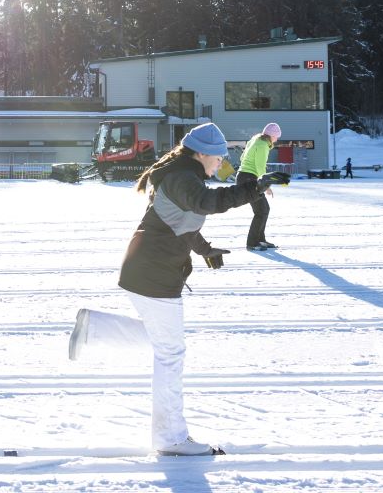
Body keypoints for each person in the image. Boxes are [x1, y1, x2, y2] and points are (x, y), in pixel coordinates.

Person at [66, 123, 289, 456]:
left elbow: (181, 219)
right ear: (201, 153)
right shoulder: (184, 179)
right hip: (154, 271)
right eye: (217, 157)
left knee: (165, 343)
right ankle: (170, 437)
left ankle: (94, 328)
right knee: (170, 354)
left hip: (147, 267)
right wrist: (254, 187)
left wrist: (205, 249)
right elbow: (209, 203)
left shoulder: (180, 174)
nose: (220, 164)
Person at [237, 122, 283, 250]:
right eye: (276, 136)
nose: (277, 139)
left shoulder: (255, 139)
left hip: (245, 176)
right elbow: (260, 167)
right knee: (261, 210)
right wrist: (266, 185)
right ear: (272, 136)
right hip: (249, 178)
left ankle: (260, 240)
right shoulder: (262, 145)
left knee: (263, 209)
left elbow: (242, 157)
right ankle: (252, 243)